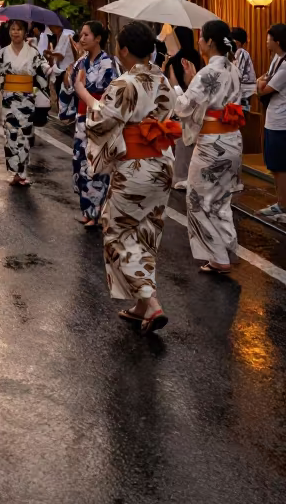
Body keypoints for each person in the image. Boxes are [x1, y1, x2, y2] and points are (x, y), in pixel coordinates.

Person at [81, 19, 179, 333]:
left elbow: (100, 123)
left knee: (116, 233)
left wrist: (84, 94)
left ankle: (150, 302)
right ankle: (139, 305)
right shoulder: (161, 79)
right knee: (146, 233)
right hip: (161, 164)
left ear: (123, 49)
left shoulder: (125, 83)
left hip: (136, 167)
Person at [174, 19, 244, 274]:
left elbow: (184, 106)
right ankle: (226, 248)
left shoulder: (207, 73)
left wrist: (177, 87)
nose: (199, 41)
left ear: (210, 42)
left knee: (198, 197)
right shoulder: (232, 68)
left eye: (201, 37)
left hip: (212, 143)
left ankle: (218, 257)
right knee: (221, 198)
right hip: (232, 139)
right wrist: (194, 79)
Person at [59, 21, 119, 227]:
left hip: (100, 120)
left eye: (86, 35)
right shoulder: (80, 63)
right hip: (82, 119)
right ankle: (88, 209)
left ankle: (96, 211)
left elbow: (114, 95)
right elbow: (70, 90)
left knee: (97, 165)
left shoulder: (108, 64)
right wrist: (68, 81)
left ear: (98, 38)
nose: (82, 38)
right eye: (81, 35)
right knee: (80, 162)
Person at [0, 19, 49, 187]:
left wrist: (49, 69)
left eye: (19, 29)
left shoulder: (33, 52)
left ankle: (23, 172)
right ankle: (14, 172)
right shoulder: (3, 53)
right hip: (9, 100)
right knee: (11, 135)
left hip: (27, 99)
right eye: (12, 29)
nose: (15, 32)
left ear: (24, 32)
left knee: (26, 135)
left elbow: (43, 68)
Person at [162, 26, 202, 190]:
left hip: (179, 100)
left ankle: (179, 176)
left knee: (180, 142)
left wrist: (165, 67)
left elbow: (172, 83)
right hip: (196, 101)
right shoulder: (198, 56)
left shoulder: (174, 60)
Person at [256, 23, 286, 220]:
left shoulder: (285, 65)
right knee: (274, 165)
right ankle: (281, 202)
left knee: (279, 166)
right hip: (272, 118)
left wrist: (259, 84)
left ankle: (283, 205)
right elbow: (263, 79)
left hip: (281, 121)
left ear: (278, 41)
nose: (266, 41)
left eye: (269, 38)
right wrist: (261, 82)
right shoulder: (277, 59)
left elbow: (265, 88)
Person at [230, 27, 257, 109]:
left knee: (241, 115)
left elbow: (237, 73)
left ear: (237, 42)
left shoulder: (241, 52)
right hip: (242, 91)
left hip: (244, 92)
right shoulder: (236, 53)